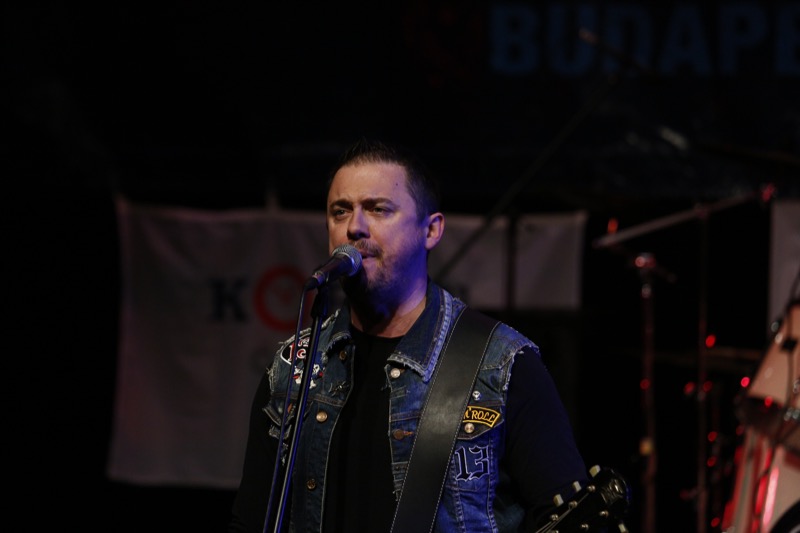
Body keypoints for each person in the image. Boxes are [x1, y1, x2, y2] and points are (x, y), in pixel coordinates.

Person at [228, 138, 588, 532]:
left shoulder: (501, 364)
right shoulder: (292, 370)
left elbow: (569, 516)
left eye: (378, 209)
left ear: (431, 230)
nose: (354, 227)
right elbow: (250, 520)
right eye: (340, 210)